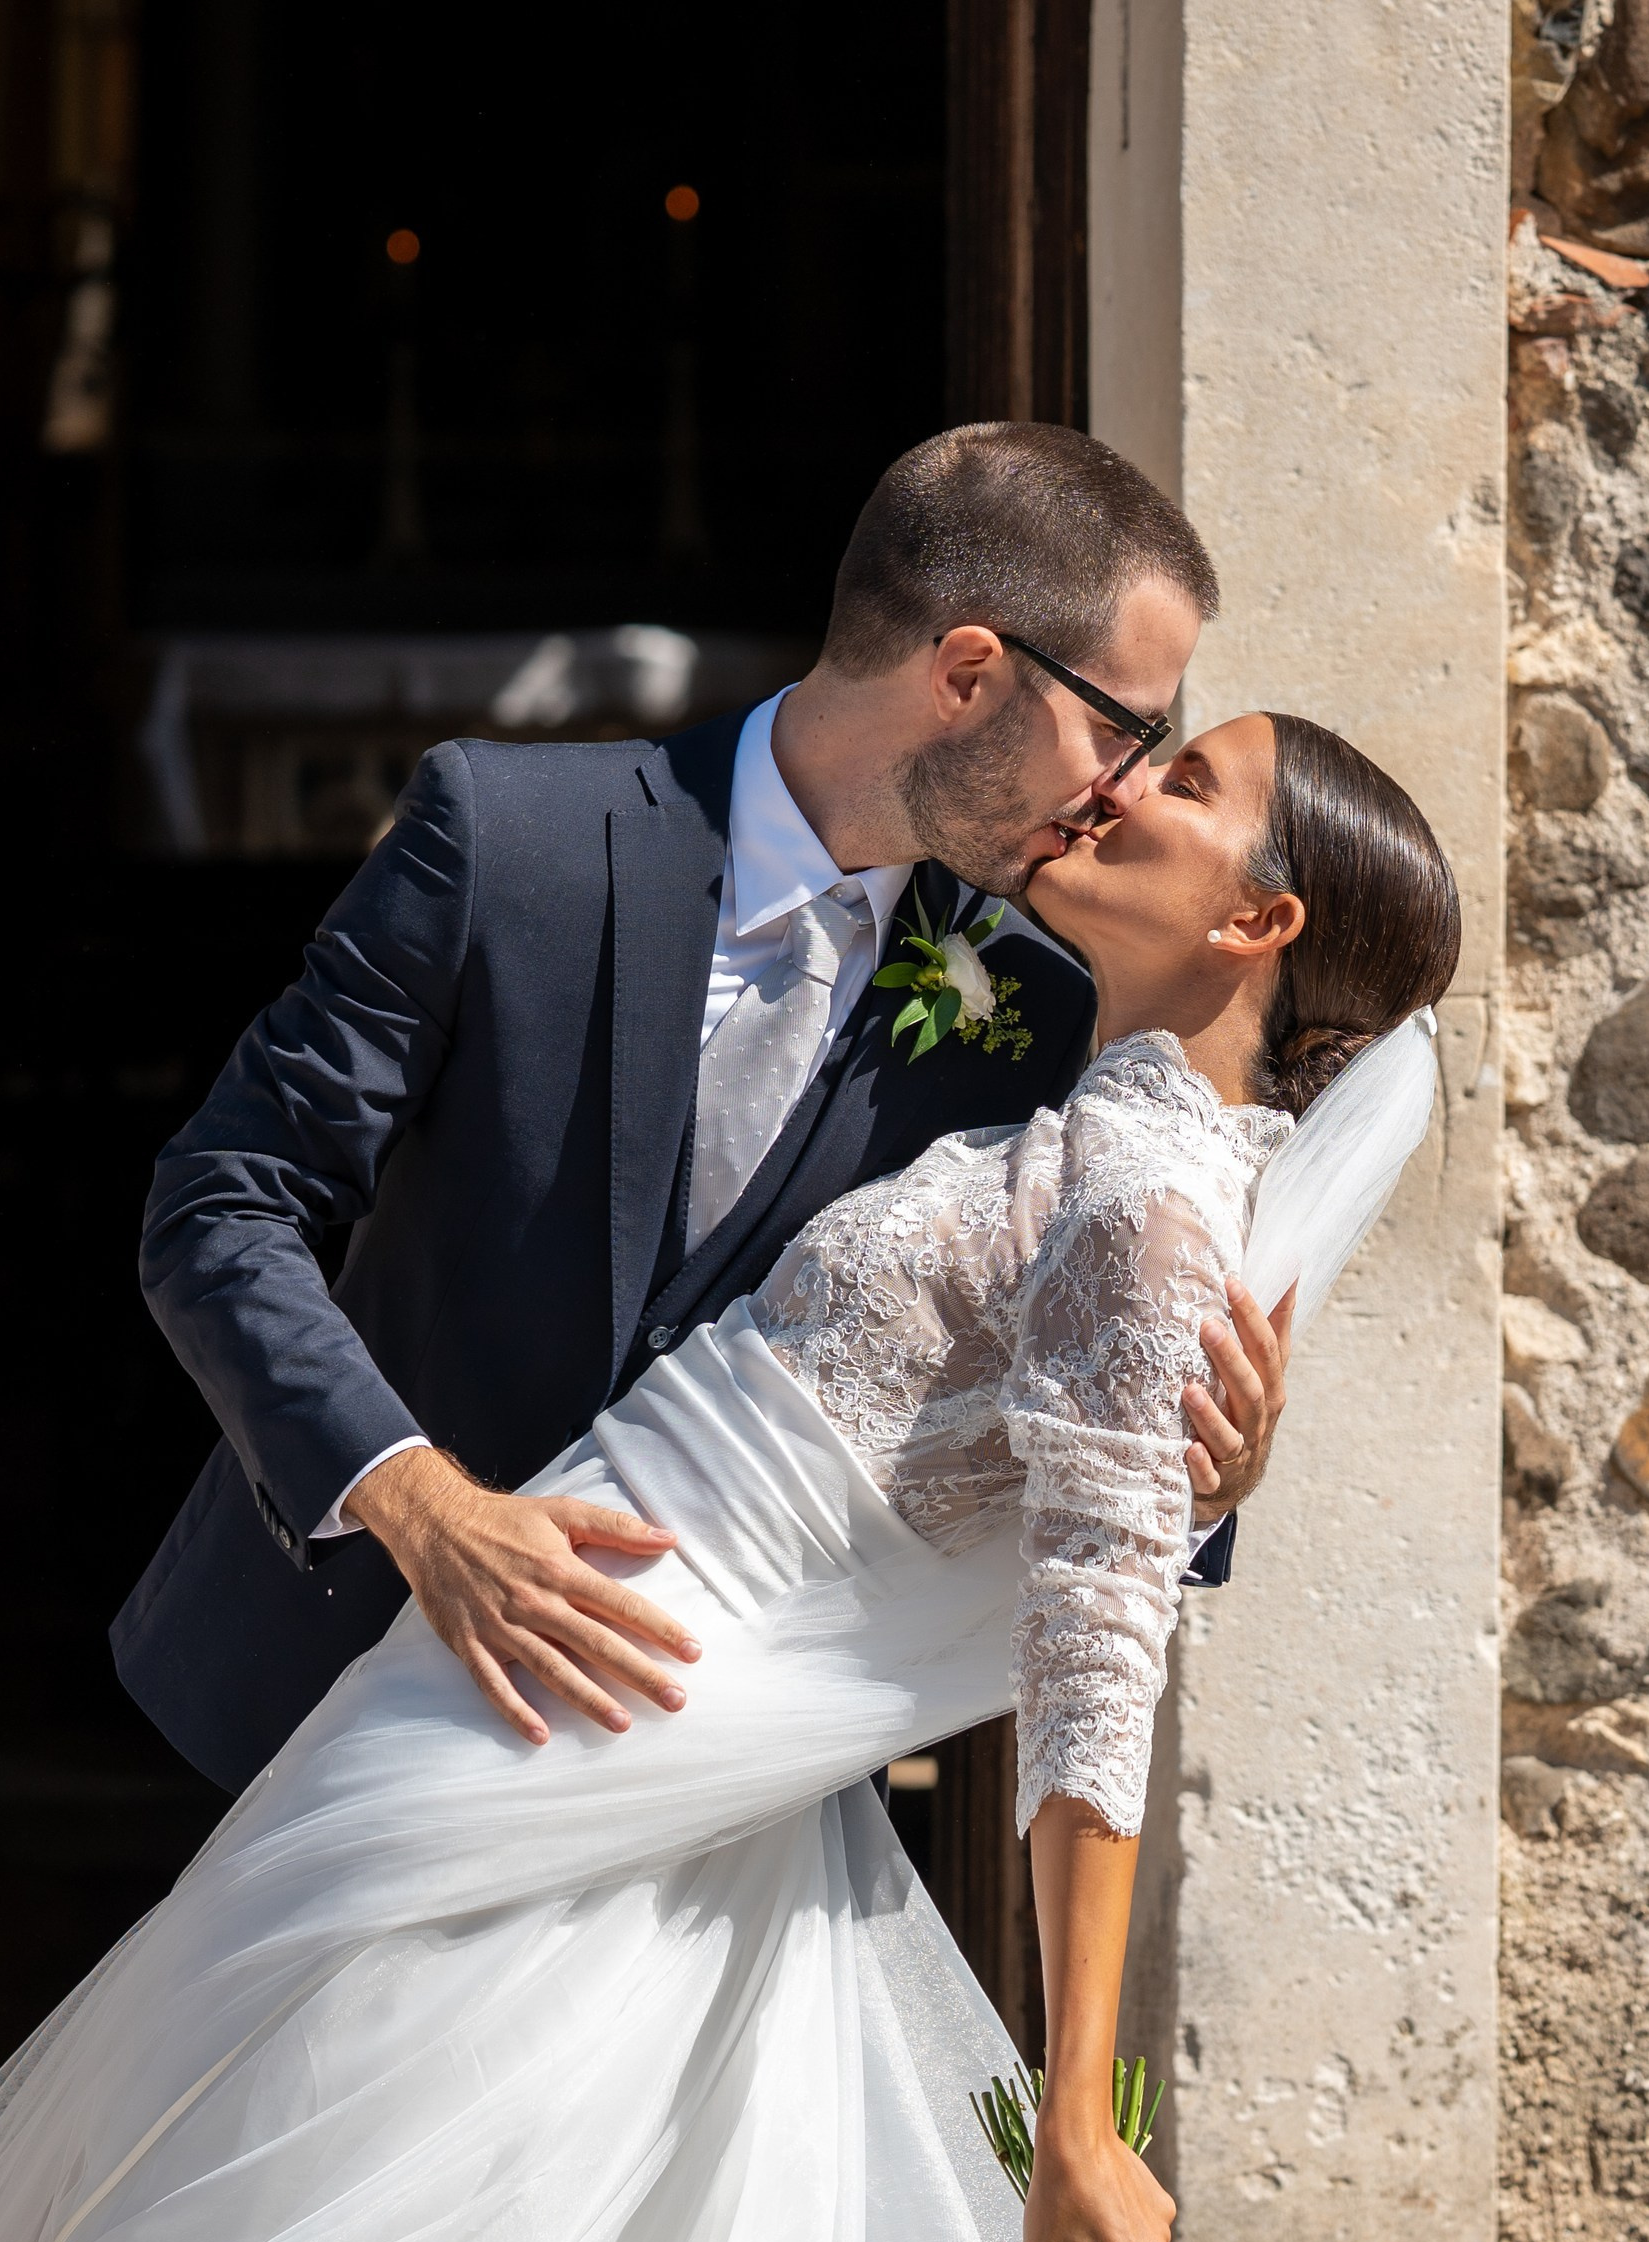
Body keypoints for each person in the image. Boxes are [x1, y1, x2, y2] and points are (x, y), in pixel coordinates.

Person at [0, 707, 1459, 2242]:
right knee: (357, 2220)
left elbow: (1096, 1656)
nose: (1119, 781)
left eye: (1184, 782)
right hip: (551, 1681)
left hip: (619, 1718)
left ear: (1257, 928)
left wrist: (1075, 2109)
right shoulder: (1068, 1101)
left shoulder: (1149, 1207)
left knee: (303, 2232)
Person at [108, 424, 1293, 1795]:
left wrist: (1201, 1478)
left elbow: (1057, 1396)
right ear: (968, 674)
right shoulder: (505, 841)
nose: (1126, 787)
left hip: (704, 1766)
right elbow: (220, 1202)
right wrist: (417, 1505)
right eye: (1121, 725)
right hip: (334, 1698)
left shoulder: (1031, 1003)